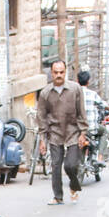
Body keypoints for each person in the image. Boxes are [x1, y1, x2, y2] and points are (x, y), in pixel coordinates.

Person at [37, 59, 84, 205]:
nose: (59, 75)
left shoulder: (75, 89)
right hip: (55, 132)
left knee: (70, 165)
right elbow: (41, 117)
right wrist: (42, 139)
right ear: (51, 73)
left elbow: (81, 112)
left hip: (73, 132)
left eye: (61, 72)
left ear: (65, 72)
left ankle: (74, 185)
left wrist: (83, 132)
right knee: (56, 165)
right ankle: (58, 196)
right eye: (56, 72)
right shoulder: (45, 93)